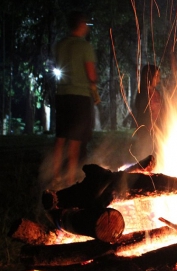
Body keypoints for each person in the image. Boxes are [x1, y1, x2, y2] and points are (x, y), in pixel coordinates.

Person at [51, 11, 97, 187]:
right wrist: (93, 83)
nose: (87, 27)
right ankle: (70, 181)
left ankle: (55, 177)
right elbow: (91, 75)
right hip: (80, 97)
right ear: (81, 24)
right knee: (75, 142)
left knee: (60, 139)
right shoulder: (85, 47)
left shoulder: (60, 45)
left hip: (62, 95)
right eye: (85, 23)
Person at [132, 64, 163, 161]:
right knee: (146, 154)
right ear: (149, 76)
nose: (158, 80)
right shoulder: (142, 93)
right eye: (156, 76)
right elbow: (141, 110)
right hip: (146, 131)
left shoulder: (157, 93)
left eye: (159, 76)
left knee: (157, 154)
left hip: (157, 131)